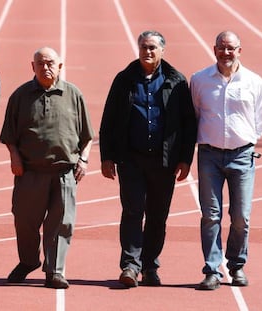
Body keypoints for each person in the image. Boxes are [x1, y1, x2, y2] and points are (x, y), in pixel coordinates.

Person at [99, 30, 197, 288]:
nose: (148, 51)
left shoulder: (176, 81)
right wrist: (107, 156)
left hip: (164, 162)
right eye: (144, 47)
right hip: (130, 158)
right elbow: (108, 119)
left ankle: (150, 265)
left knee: (157, 215)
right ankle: (130, 265)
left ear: (163, 50)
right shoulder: (124, 80)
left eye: (153, 47)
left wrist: (185, 159)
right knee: (132, 211)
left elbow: (188, 124)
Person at [0, 46, 94, 289]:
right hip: (30, 172)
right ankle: (29, 260)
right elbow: (9, 135)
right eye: (40, 63)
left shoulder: (73, 94)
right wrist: (15, 157)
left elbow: (87, 136)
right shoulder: (20, 96)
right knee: (25, 221)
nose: (46, 67)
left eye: (51, 63)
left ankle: (55, 271)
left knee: (61, 224)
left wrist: (83, 160)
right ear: (32, 67)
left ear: (60, 66)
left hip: (64, 172)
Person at [191, 31, 262, 290]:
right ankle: (212, 270)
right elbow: (194, 113)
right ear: (214, 50)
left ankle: (236, 266)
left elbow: (261, 117)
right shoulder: (200, 80)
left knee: (241, 217)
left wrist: (245, 139)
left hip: (242, 155)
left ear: (239, 50)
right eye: (222, 48)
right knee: (210, 216)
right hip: (209, 156)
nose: (226, 53)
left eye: (231, 48)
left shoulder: (254, 81)